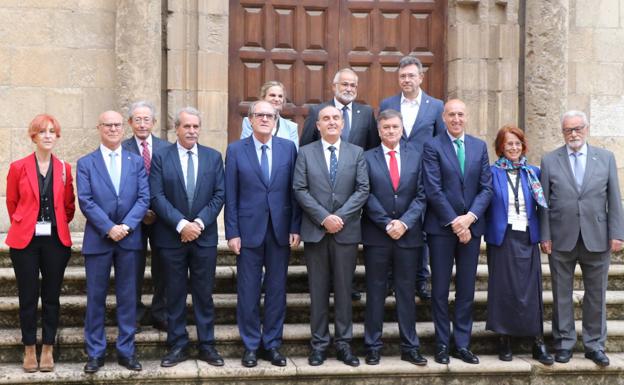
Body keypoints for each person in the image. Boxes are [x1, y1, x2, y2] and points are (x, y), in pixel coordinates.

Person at [539, 110, 624, 367]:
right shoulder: (550, 160)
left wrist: (617, 233)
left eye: (577, 128)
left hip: (597, 237)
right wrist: (545, 235)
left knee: (596, 294)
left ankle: (594, 345)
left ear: (586, 129)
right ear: (562, 132)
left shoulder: (606, 158)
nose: (573, 134)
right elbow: (543, 202)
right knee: (561, 293)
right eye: (568, 130)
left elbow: (614, 199)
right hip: (561, 238)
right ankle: (563, 343)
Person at [225, 100, 301, 367]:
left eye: (270, 115)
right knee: (247, 290)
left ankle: (272, 344)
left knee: (277, 290)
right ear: (250, 119)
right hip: (247, 232)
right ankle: (250, 346)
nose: (265, 119)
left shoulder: (288, 149)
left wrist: (295, 226)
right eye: (260, 115)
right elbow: (231, 195)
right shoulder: (235, 150)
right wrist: (231, 232)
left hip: (280, 231)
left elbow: (295, 191)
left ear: (276, 120)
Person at [293, 105, 369, 367]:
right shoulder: (305, 153)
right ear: (318, 125)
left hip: (346, 233)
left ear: (343, 123)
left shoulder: (357, 153)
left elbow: (362, 190)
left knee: (345, 290)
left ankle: (344, 344)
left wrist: (340, 218)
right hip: (316, 232)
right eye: (326, 118)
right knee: (318, 291)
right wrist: (324, 218)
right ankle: (319, 344)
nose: (332, 122)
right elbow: (300, 189)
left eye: (336, 118)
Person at [150, 107, 225, 368]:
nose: (192, 131)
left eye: (195, 127)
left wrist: (199, 224)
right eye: (187, 127)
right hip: (172, 237)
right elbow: (156, 196)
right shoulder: (161, 157)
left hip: (204, 238)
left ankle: (207, 345)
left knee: (204, 293)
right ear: (176, 129)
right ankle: (178, 344)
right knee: (175, 293)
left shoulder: (213, 157)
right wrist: (182, 225)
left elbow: (219, 195)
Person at [77, 110, 149, 373]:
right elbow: (85, 200)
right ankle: (95, 353)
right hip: (98, 239)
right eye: (108, 125)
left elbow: (144, 198)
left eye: (117, 125)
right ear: (99, 127)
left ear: (123, 128)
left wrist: (126, 226)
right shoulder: (86, 163)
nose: (113, 129)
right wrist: (109, 228)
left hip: (129, 240)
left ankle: (126, 351)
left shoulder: (135, 161)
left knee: (128, 297)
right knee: (96, 297)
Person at [422, 99, 493, 364]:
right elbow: (433, 189)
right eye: (451, 114)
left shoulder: (479, 146)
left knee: (466, 289)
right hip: (441, 229)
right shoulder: (432, 146)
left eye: (460, 114)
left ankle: (461, 344)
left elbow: (486, 188)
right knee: (439, 289)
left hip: (472, 229)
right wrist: (455, 222)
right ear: (443, 117)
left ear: (466, 116)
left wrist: (470, 218)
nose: (456, 119)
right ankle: (442, 343)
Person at [300, 67, 378, 301]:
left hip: (352, 200)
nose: (349, 88)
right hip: (319, 205)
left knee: (346, 269)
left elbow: (372, 149)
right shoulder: (318, 111)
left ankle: (347, 286)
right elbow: (306, 149)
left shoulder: (366, 113)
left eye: (353, 85)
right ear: (334, 86)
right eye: (344, 84)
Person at [5, 114, 75, 372]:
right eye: (42, 131)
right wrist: (26, 223)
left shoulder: (66, 168)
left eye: (52, 131)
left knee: (52, 297)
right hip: (25, 241)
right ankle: (29, 349)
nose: (47, 135)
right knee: (27, 296)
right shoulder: (18, 167)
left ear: (57, 136)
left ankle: (47, 347)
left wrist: (55, 222)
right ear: (33, 136)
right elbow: (12, 203)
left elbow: (69, 206)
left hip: (56, 240)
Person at [361, 109, 427, 366]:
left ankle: (410, 347)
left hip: (408, 237)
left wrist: (405, 223)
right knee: (375, 291)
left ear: (402, 129)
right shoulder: (366, 158)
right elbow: (365, 193)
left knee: (406, 292)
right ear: (379, 131)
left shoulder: (416, 156)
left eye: (395, 127)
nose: (390, 131)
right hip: (377, 236)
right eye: (386, 127)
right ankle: (372, 346)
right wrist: (387, 223)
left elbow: (422, 194)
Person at [484, 125, 553, 365]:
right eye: (508, 143)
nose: (513, 148)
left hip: (527, 238)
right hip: (502, 239)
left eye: (517, 143)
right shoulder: (492, 173)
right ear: (500, 147)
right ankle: (504, 339)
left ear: (523, 146)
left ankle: (537, 342)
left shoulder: (533, 172)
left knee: (531, 291)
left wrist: (545, 236)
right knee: (503, 290)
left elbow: (544, 208)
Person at [379, 55, 445, 301]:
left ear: (421, 77)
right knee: (392, 223)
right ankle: (389, 280)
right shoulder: (388, 103)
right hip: (393, 174)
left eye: (411, 76)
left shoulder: (436, 106)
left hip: (423, 173)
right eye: (402, 76)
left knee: (422, 227)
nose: (406, 80)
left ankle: (421, 279)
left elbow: (440, 141)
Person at [121, 100, 170, 331]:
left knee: (162, 266)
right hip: (133, 219)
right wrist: (140, 212)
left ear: (154, 123)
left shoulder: (166, 148)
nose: (142, 124)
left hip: (162, 219)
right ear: (130, 123)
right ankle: (135, 313)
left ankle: (160, 311)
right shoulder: (122, 148)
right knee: (132, 267)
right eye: (137, 119)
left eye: (146, 119)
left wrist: (158, 210)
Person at [240, 81, 299, 148]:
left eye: (280, 96)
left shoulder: (291, 127)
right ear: (263, 98)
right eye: (272, 95)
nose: (277, 99)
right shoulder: (249, 121)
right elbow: (245, 148)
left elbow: (293, 154)